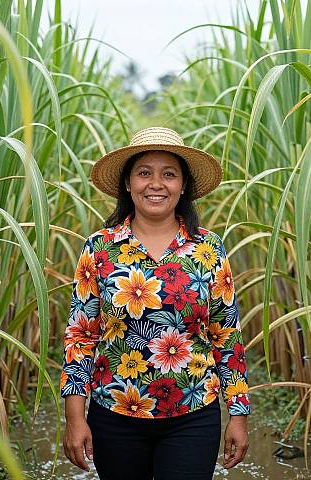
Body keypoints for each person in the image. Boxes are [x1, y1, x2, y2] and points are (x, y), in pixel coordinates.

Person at [60, 127, 250, 480]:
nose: (156, 184)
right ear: (128, 184)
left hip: (193, 414)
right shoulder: (100, 248)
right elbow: (81, 336)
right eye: (144, 173)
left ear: (183, 186)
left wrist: (238, 413)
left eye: (169, 174)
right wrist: (74, 418)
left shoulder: (208, 249)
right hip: (115, 413)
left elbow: (226, 335)